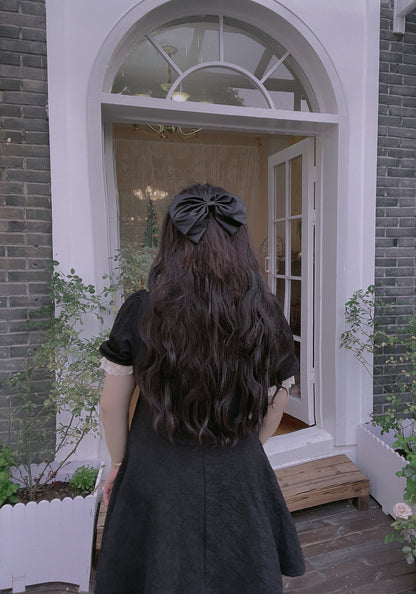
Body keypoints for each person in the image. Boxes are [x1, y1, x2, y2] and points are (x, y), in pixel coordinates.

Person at [94, 183, 305, 594]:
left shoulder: (142, 309)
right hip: (238, 471)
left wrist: (118, 464)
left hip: (155, 473)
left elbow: (111, 404)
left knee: (159, 574)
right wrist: (248, 446)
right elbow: (278, 400)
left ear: (171, 243)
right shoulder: (263, 310)